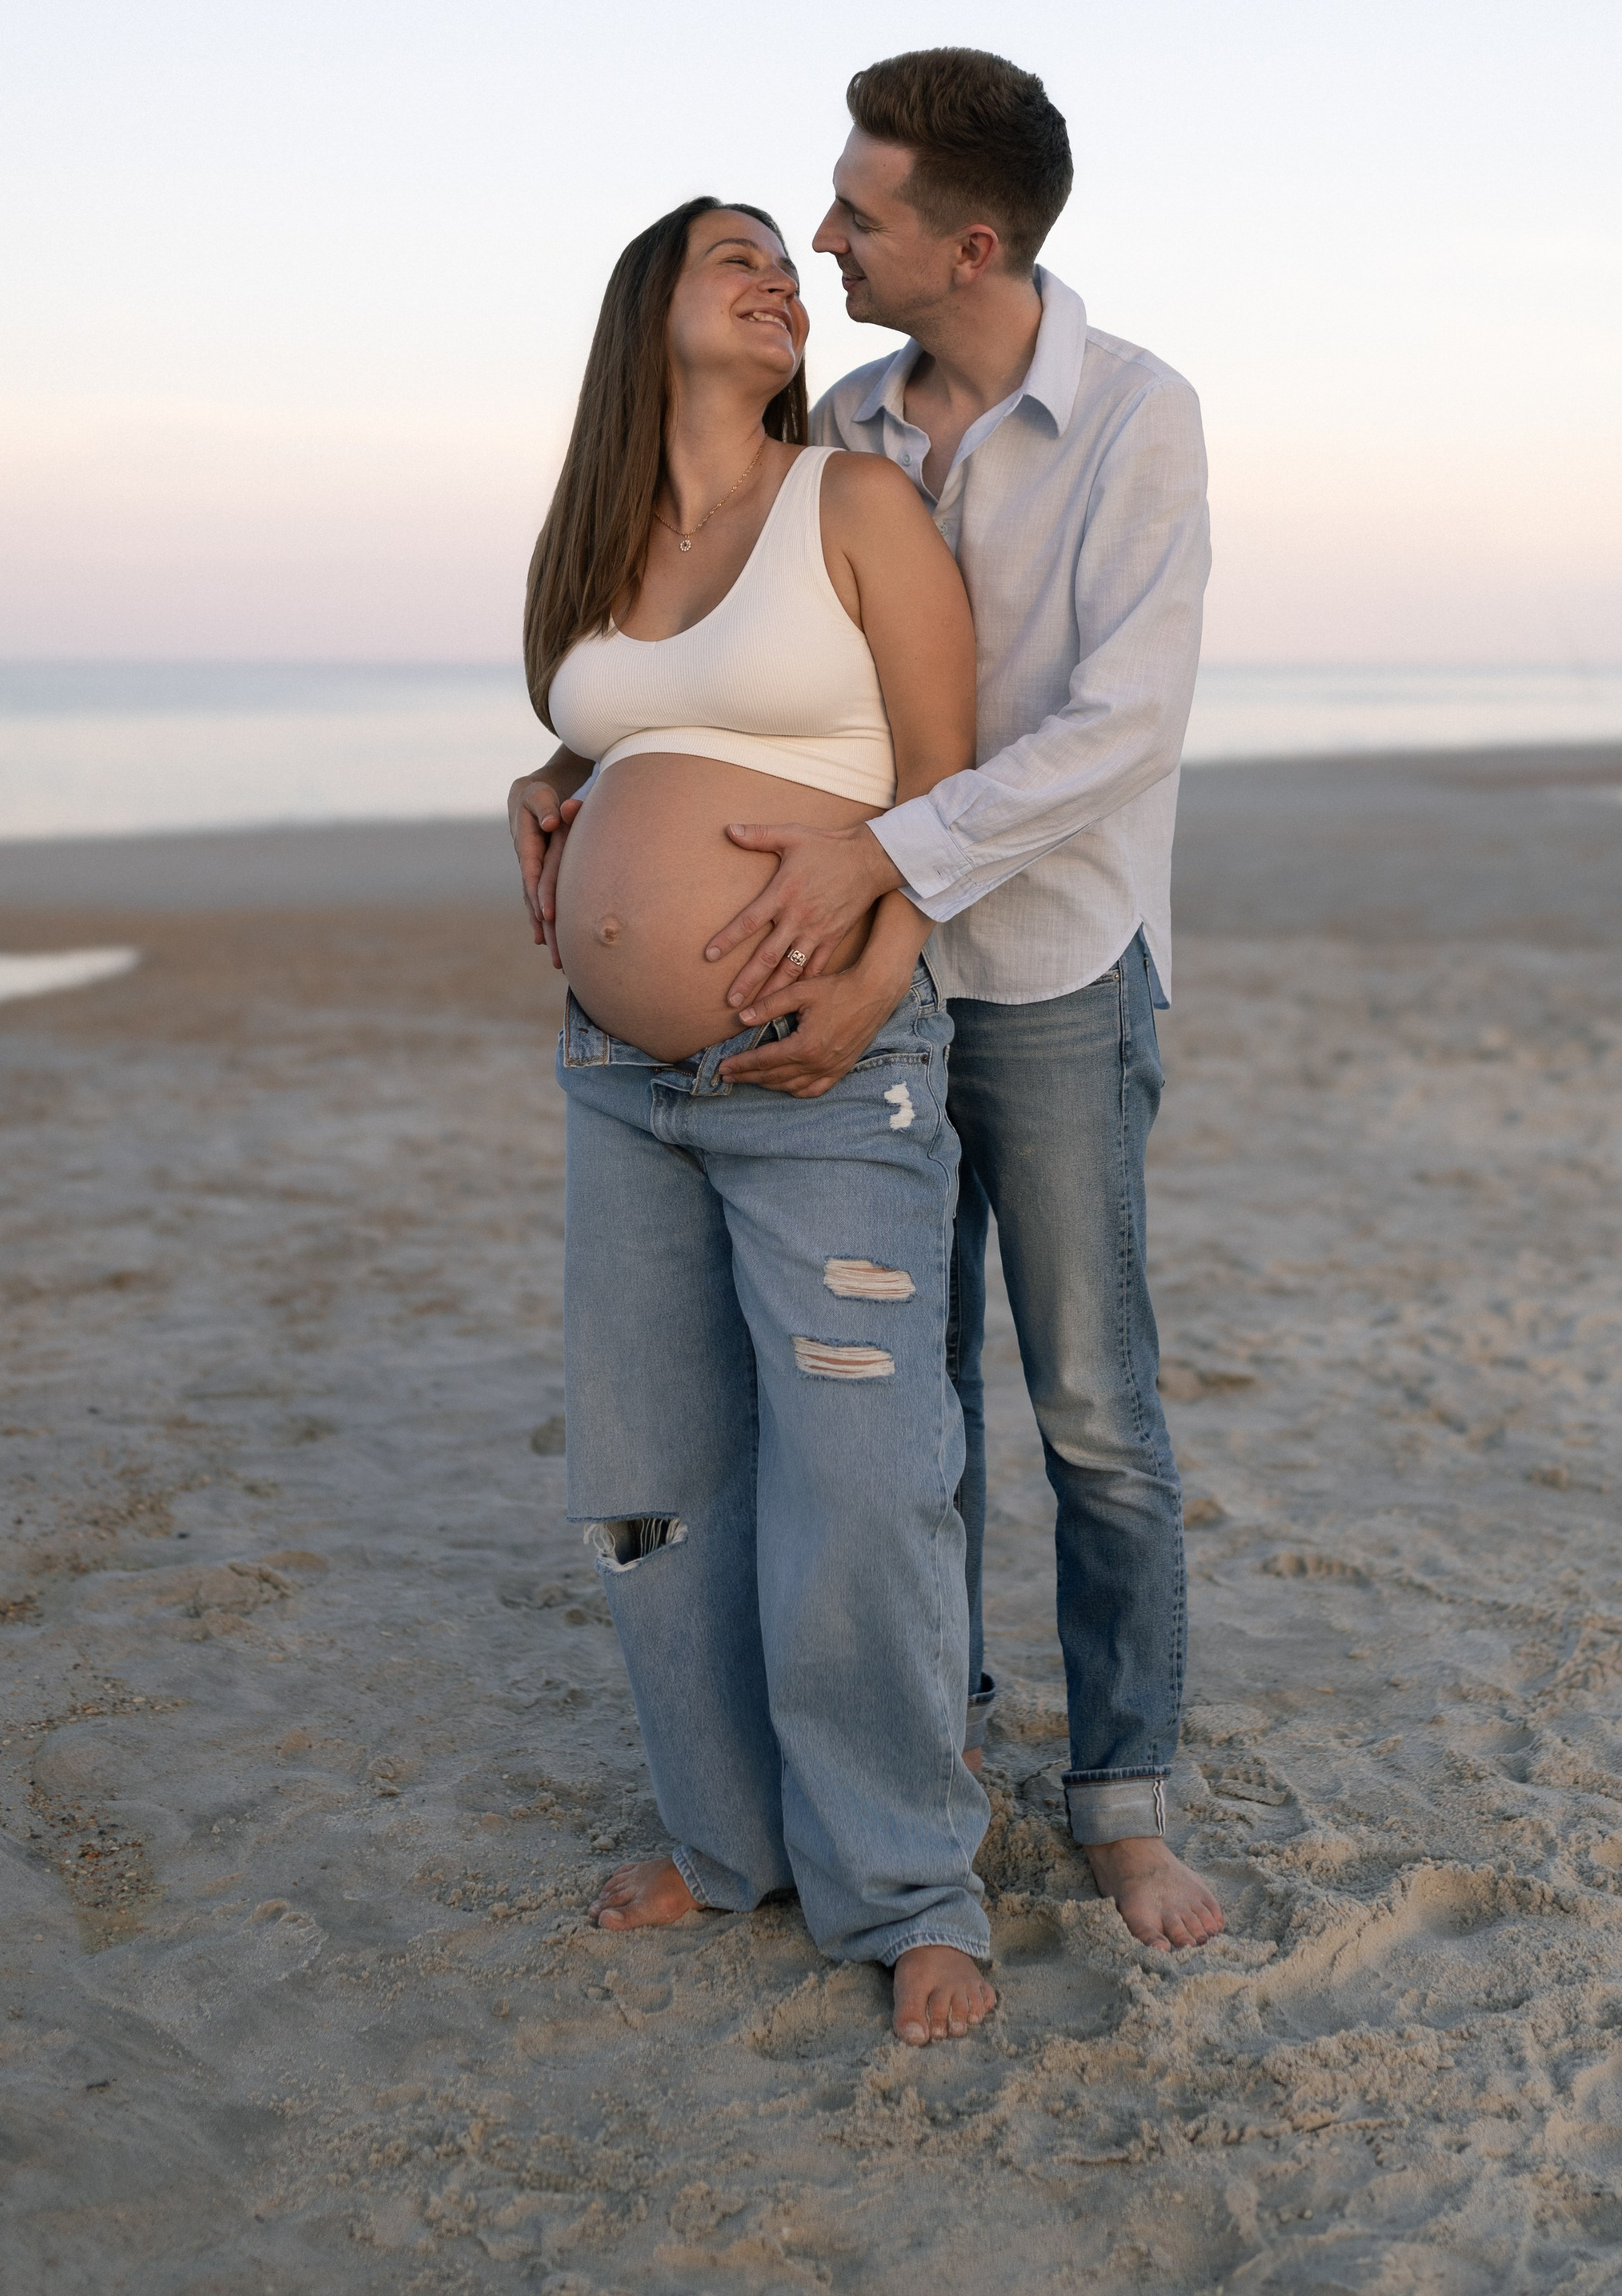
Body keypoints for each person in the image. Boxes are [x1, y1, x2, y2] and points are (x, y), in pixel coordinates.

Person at [692, 50, 1220, 1950]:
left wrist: (901, 857)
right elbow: (762, 662)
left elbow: (1124, 726)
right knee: (906, 1412)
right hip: (877, 983)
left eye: (859, 210)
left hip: (1059, 966)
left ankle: (1124, 1796)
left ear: (969, 241)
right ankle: (940, 1753)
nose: (824, 231)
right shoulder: (838, 419)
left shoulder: (1135, 418)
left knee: (1088, 1401)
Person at [514, 193, 995, 2046]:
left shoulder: (856, 506)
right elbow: (606, 735)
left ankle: (904, 1882)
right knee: (655, 1476)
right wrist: (549, 784)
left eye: (788, 265)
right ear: (652, 308)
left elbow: (947, 780)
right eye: (736, 255)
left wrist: (881, 972)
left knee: (865, 1481)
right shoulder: (594, 541)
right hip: (615, 1081)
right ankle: (726, 1842)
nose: (779, 277)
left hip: (827, 1072)